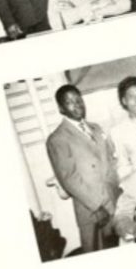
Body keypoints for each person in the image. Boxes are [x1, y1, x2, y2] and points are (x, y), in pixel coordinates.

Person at [46, 84, 120, 253]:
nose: (77, 104)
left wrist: (117, 189)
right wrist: (96, 206)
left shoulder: (96, 128)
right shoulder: (58, 138)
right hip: (92, 210)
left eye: (79, 100)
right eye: (70, 102)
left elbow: (110, 160)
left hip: (113, 201)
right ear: (61, 108)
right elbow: (69, 179)